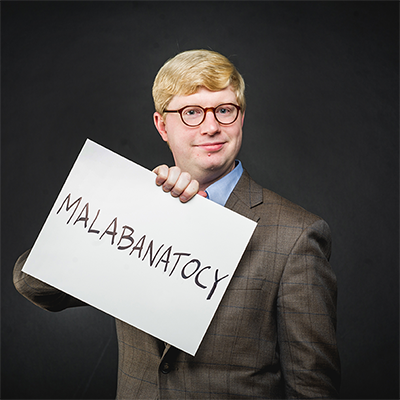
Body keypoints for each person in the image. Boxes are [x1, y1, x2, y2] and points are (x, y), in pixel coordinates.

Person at [14, 49, 341, 399]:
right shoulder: (133, 213)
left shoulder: (297, 235)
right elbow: (34, 286)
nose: (212, 126)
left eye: (225, 110)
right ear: (162, 126)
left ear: (241, 118)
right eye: (191, 113)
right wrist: (133, 209)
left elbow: (312, 391)